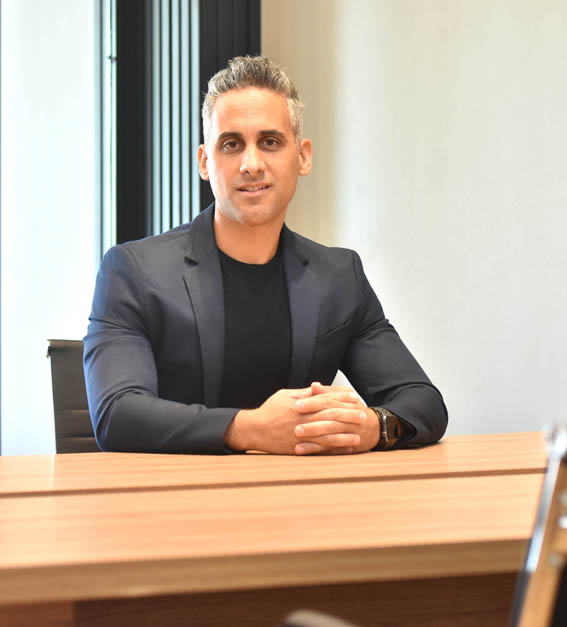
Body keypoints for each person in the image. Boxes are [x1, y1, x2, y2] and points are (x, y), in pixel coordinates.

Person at [84, 56, 447, 455]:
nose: (252, 164)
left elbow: (423, 402)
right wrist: (249, 429)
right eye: (231, 144)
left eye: (270, 142)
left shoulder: (340, 277)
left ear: (303, 156)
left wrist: (374, 427)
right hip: (175, 489)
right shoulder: (134, 272)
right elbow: (117, 414)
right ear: (205, 162)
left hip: (299, 491)